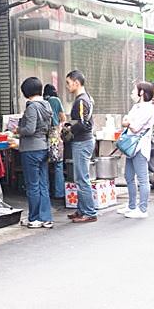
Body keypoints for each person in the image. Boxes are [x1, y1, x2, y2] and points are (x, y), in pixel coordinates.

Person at [15, 77, 54, 229]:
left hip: (31, 149)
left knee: (33, 185)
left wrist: (18, 130)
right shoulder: (47, 105)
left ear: (26, 92)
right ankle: (46, 218)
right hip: (43, 147)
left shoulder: (32, 107)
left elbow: (30, 129)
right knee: (43, 184)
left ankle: (34, 218)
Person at [116, 81, 154, 219]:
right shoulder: (136, 107)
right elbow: (127, 121)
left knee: (142, 179)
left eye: (134, 90)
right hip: (131, 147)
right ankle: (132, 205)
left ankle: (143, 209)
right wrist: (128, 122)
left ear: (142, 92)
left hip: (140, 147)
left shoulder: (148, 109)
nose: (132, 93)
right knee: (128, 176)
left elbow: (134, 126)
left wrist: (128, 122)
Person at [64, 70, 97, 223]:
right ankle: (82, 210)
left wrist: (69, 130)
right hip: (84, 141)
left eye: (68, 83)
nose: (67, 86)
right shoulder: (86, 98)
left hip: (82, 142)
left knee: (82, 178)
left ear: (76, 83)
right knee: (79, 178)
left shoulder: (82, 100)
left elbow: (83, 124)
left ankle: (89, 212)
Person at [43, 84, 66, 201]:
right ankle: (59, 193)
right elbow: (63, 118)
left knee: (44, 164)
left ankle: (45, 191)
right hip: (54, 134)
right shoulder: (55, 100)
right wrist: (60, 128)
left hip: (43, 135)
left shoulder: (42, 102)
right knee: (58, 164)